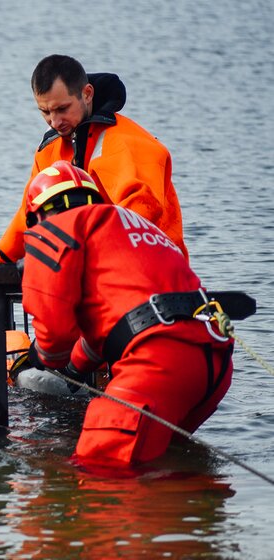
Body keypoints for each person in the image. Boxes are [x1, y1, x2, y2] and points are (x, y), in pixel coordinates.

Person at [21, 160, 233, 468]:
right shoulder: (134, 226)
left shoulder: (55, 229)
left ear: (37, 215)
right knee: (170, 468)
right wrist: (75, 369)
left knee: (100, 473)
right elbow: (112, 327)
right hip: (213, 362)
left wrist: (39, 357)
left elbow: (53, 334)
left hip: (156, 363)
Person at [0, 54, 188, 265]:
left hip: (155, 271)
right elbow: (30, 212)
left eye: (62, 109)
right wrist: (1, 258)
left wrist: (87, 255)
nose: (55, 122)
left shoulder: (127, 142)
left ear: (87, 94)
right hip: (92, 272)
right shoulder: (49, 150)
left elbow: (141, 212)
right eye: (45, 112)